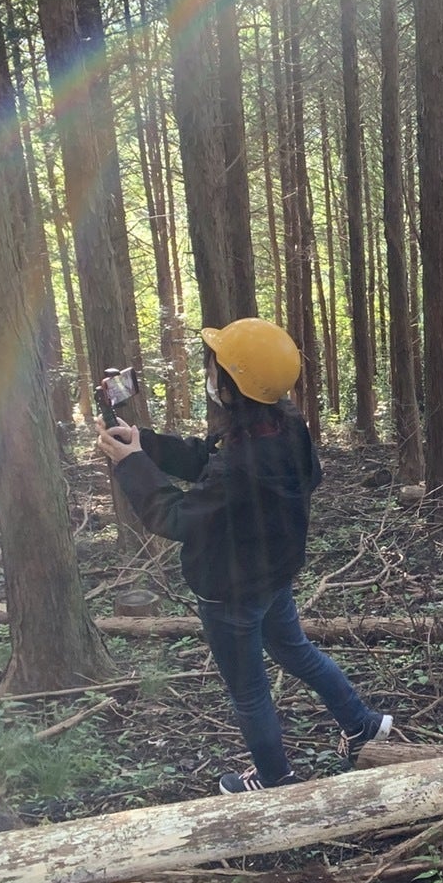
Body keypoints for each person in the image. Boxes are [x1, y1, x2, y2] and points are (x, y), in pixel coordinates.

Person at [95, 318, 392, 794]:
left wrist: (131, 465)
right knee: (296, 651)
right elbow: (212, 461)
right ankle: (363, 724)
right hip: (273, 575)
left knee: (250, 691)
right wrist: (144, 443)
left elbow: (174, 517)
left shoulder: (241, 463)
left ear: (232, 385)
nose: (209, 374)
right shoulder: (283, 424)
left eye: (215, 367)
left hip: (229, 591)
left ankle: (274, 778)